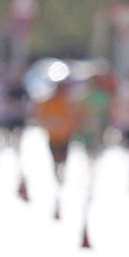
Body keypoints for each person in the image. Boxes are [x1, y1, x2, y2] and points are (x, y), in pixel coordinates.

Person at [34, 78, 82, 212]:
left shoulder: (67, 102)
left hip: (65, 136)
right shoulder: (48, 102)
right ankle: (56, 173)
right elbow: (41, 116)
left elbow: (74, 117)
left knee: (64, 157)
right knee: (54, 157)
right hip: (53, 136)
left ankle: (61, 171)